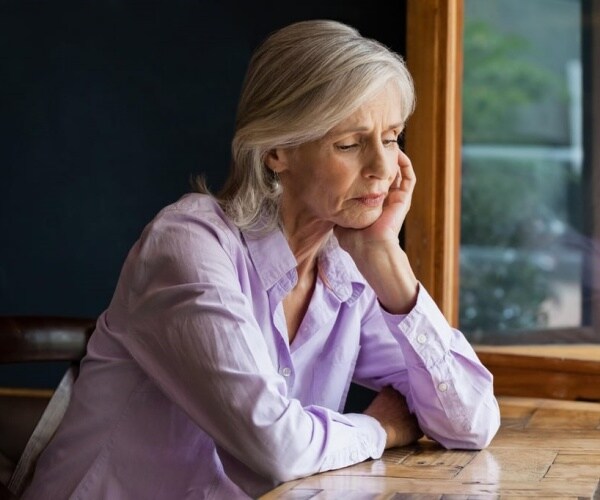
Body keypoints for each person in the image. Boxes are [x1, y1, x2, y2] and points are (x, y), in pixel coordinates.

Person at [24, 19, 500, 499]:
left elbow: (471, 423)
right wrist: (379, 429)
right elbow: (276, 449)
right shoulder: (186, 245)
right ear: (277, 149)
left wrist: (385, 255)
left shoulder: (347, 265)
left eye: (392, 137)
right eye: (351, 144)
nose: (382, 168)